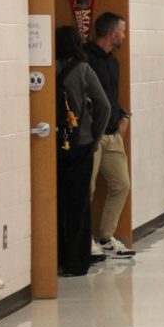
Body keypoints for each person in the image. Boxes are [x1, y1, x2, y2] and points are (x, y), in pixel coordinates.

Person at [55, 25, 111, 276]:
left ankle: (55, 258)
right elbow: (104, 106)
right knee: (78, 205)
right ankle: (77, 263)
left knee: (55, 204)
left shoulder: (44, 69)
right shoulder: (83, 69)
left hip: (51, 146)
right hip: (80, 143)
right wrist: (94, 137)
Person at [85, 12, 136, 260]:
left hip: (112, 134)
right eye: (123, 31)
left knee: (121, 184)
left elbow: (112, 96)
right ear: (112, 33)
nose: (124, 36)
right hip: (91, 135)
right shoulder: (85, 59)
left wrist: (124, 116)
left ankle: (106, 237)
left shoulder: (113, 61)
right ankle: (84, 240)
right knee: (88, 187)